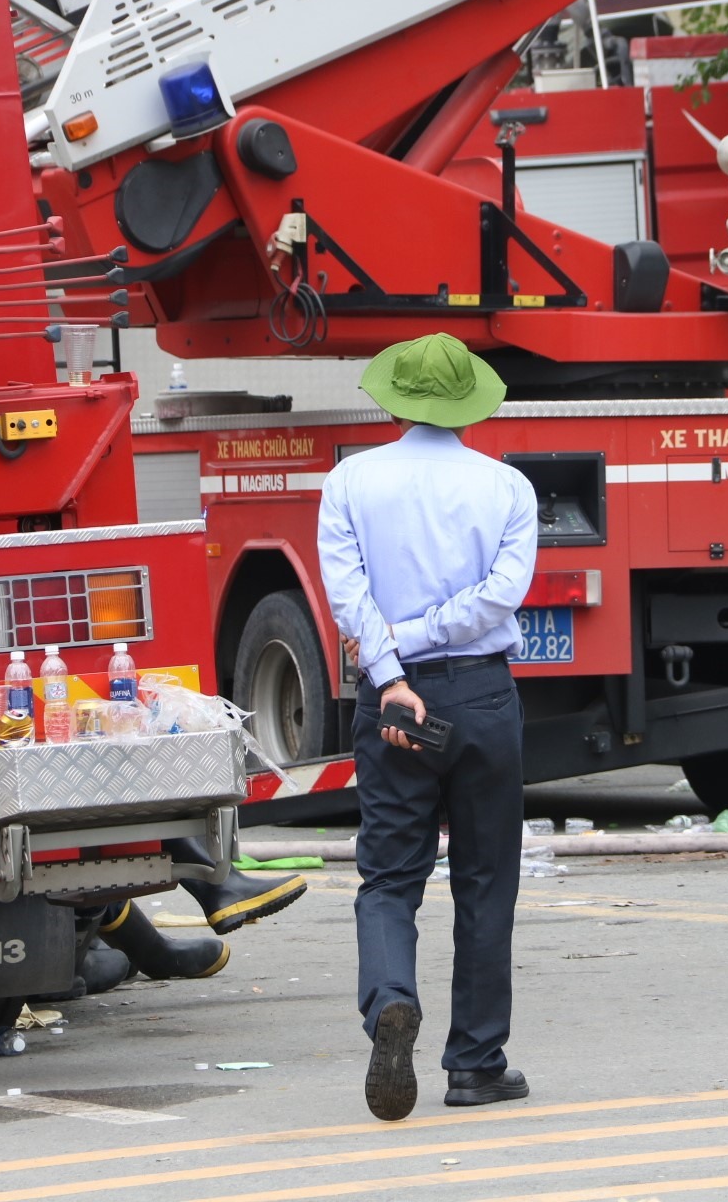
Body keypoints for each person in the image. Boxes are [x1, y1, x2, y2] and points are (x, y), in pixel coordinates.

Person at [317, 331, 538, 1122]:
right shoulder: (508, 488)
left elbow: (347, 599)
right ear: (470, 404)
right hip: (481, 696)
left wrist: (391, 669)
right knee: (485, 882)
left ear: (394, 400)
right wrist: (421, 639)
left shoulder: (349, 482)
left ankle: (389, 1005)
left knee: (388, 877)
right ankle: (477, 1065)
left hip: (392, 701)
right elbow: (499, 597)